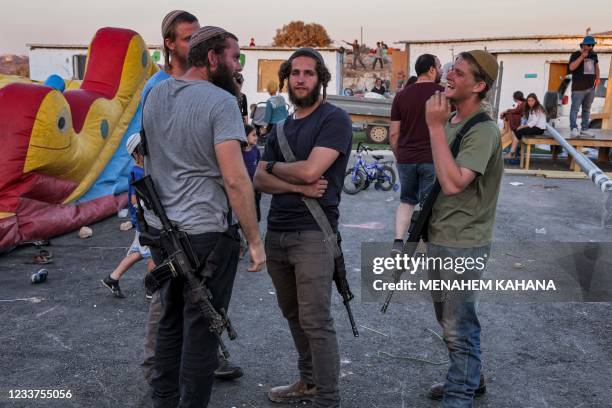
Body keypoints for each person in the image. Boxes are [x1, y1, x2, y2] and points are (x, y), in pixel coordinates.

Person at [142, 26, 266, 407]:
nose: (237, 65)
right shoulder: (220, 102)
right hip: (206, 237)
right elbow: (235, 178)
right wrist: (255, 240)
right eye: (233, 57)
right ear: (212, 58)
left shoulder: (155, 93)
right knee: (201, 333)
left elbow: (147, 159)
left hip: (164, 235)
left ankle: (163, 401)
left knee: (169, 324)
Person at [253, 48, 352, 408]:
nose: (300, 79)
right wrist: (295, 183)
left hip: (313, 233)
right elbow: (257, 178)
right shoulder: (280, 128)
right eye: (294, 73)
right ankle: (308, 382)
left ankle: (328, 398)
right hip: (277, 233)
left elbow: (313, 171)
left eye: (309, 73)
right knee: (293, 315)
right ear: (287, 77)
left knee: (316, 320)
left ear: (320, 78)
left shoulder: (334, 120)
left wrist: (277, 169)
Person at [424, 50, 503, 406]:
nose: (448, 76)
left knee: (458, 327)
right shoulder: (454, 120)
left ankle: (460, 395)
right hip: (442, 237)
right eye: (449, 69)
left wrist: (435, 127)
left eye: (458, 72)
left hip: (464, 243)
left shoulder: (483, 130)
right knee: (449, 320)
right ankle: (472, 377)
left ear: (479, 85)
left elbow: (455, 183)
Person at [389, 54, 443, 254]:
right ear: (431, 69)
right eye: (439, 66)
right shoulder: (443, 93)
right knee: (429, 204)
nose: (441, 70)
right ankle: (423, 246)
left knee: (406, 201)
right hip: (432, 159)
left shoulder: (401, 95)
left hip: (406, 159)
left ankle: (397, 242)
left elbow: (393, 133)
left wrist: (399, 156)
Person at [101, 133, 154, 298]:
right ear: (136, 154)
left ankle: (113, 277)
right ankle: (152, 288)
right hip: (145, 221)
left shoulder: (137, 170)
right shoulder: (138, 173)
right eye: (144, 150)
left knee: (138, 252)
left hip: (141, 221)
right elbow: (134, 199)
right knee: (155, 253)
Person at [569, 35, 600, 137]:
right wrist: (582, 57)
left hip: (590, 87)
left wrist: (598, 78)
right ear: (583, 45)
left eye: (592, 45)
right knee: (575, 109)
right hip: (578, 88)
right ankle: (573, 128)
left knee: (586, 109)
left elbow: (596, 67)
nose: (591, 47)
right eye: (589, 45)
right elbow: (572, 67)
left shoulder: (593, 55)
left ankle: (584, 128)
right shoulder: (575, 54)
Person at [505, 93, 547, 159]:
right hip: (534, 127)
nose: (530, 102)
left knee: (518, 132)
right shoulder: (532, 108)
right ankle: (514, 152)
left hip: (539, 129)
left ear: (535, 100)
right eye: (529, 101)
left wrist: (522, 127)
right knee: (515, 131)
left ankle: (511, 153)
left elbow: (533, 122)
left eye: (532, 100)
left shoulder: (537, 108)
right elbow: (529, 120)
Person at [242, 124, 261, 221]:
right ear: (245, 136)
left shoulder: (256, 150)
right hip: (243, 190)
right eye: (253, 135)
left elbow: (259, 167)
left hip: (255, 189)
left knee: (255, 215)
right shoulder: (239, 153)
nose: (256, 137)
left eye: (256, 135)